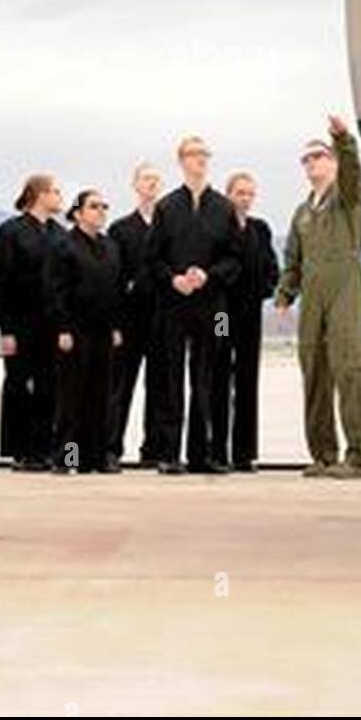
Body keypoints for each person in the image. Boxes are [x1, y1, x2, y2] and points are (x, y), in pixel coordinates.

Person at [275, 115, 361, 479]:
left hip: (345, 287)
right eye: (306, 159)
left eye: (319, 156)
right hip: (312, 296)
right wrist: (286, 293)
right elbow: (293, 259)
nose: (312, 163)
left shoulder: (347, 199)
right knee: (314, 373)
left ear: (332, 161)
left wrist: (343, 139)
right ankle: (323, 455)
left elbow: (353, 172)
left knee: (351, 372)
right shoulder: (302, 213)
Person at [145, 135, 242, 475]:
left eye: (205, 154)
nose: (201, 160)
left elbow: (235, 260)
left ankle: (207, 454)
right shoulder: (167, 207)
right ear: (181, 160)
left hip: (215, 309)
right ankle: (169, 455)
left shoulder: (223, 207)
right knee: (171, 378)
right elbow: (152, 259)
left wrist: (209, 275)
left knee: (211, 376)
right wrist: (173, 279)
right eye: (194, 154)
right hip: (173, 304)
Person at [0, 174, 65, 472]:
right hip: (21, 323)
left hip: (52, 324)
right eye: (56, 192)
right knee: (19, 385)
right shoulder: (10, 232)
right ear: (39, 194)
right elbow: (0, 283)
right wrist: (5, 328)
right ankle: (19, 449)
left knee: (50, 386)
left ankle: (44, 448)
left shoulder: (60, 234)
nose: (60, 198)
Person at [49, 189, 122, 474]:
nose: (101, 211)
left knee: (100, 395)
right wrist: (63, 327)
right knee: (72, 398)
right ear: (78, 213)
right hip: (75, 331)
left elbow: (116, 290)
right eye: (94, 206)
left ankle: (97, 457)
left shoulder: (111, 246)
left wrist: (116, 326)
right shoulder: (64, 246)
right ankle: (68, 457)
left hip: (103, 331)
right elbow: (55, 291)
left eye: (104, 206)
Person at [215, 173, 279, 472]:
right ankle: (217, 450)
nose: (245, 198)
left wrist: (263, 291)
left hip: (250, 313)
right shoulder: (216, 227)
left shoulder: (260, 229)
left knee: (246, 380)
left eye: (249, 194)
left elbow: (271, 269)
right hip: (222, 314)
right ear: (228, 194)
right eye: (240, 193)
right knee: (217, 374)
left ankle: (243, 452)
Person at [106, 163, 164, 470]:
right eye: (146, 179)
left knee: (159, 388)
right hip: (129, 321)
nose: (151, 184)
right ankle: (110, 448)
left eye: (156, 179)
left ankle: (154, 450)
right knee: (119, 387)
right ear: (135, 184)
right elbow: (113, 279)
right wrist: (114, 323)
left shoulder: (170, 225)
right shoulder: (120, 229)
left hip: (162, 320)